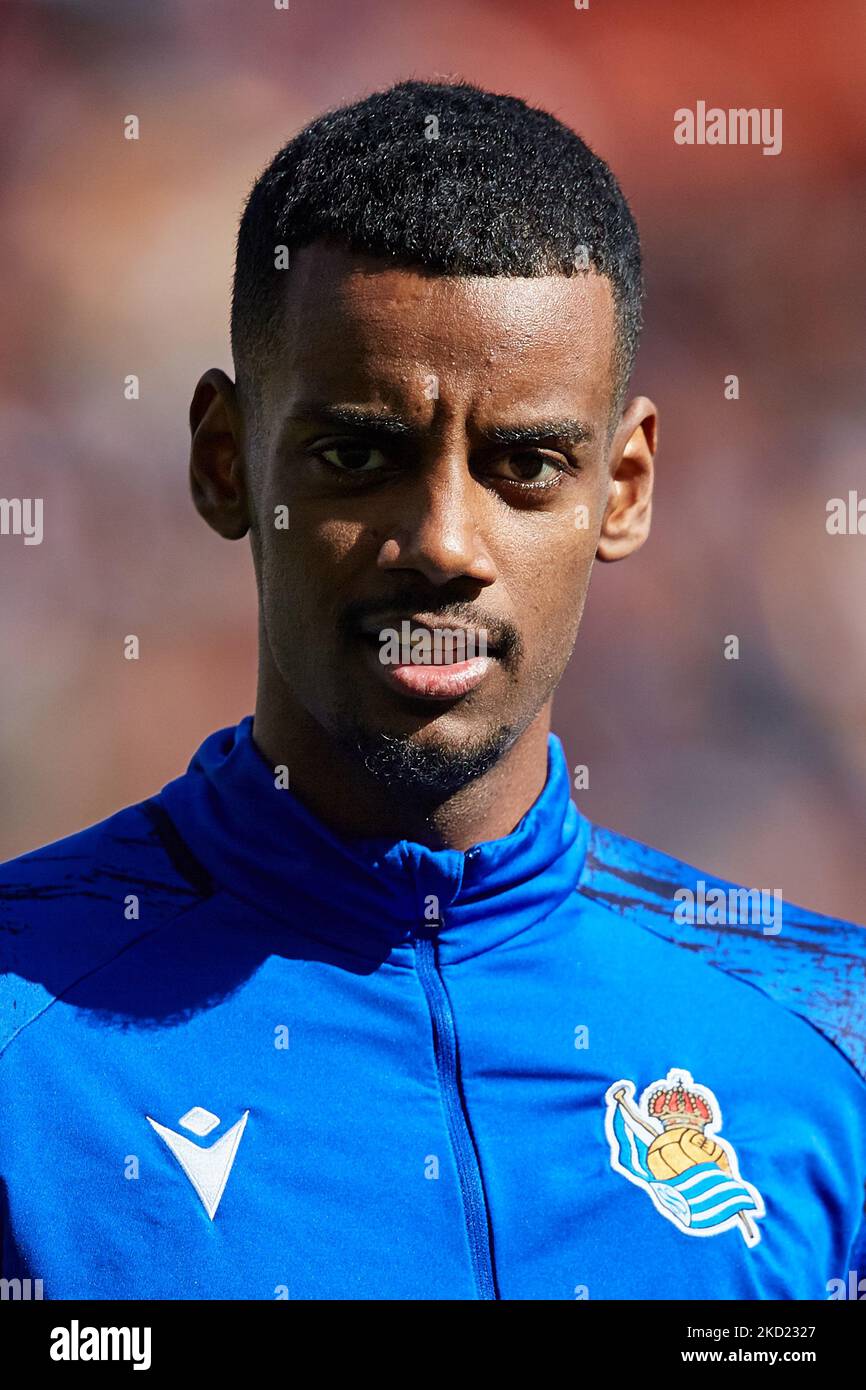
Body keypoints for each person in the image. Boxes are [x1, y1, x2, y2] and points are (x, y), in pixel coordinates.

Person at [1, 79, 864, 1302]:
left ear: (621, 489)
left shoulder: (828, 1039)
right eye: (359, 455)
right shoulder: (21, 1037)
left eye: (524, 464)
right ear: (221, 461)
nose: (445, 541)